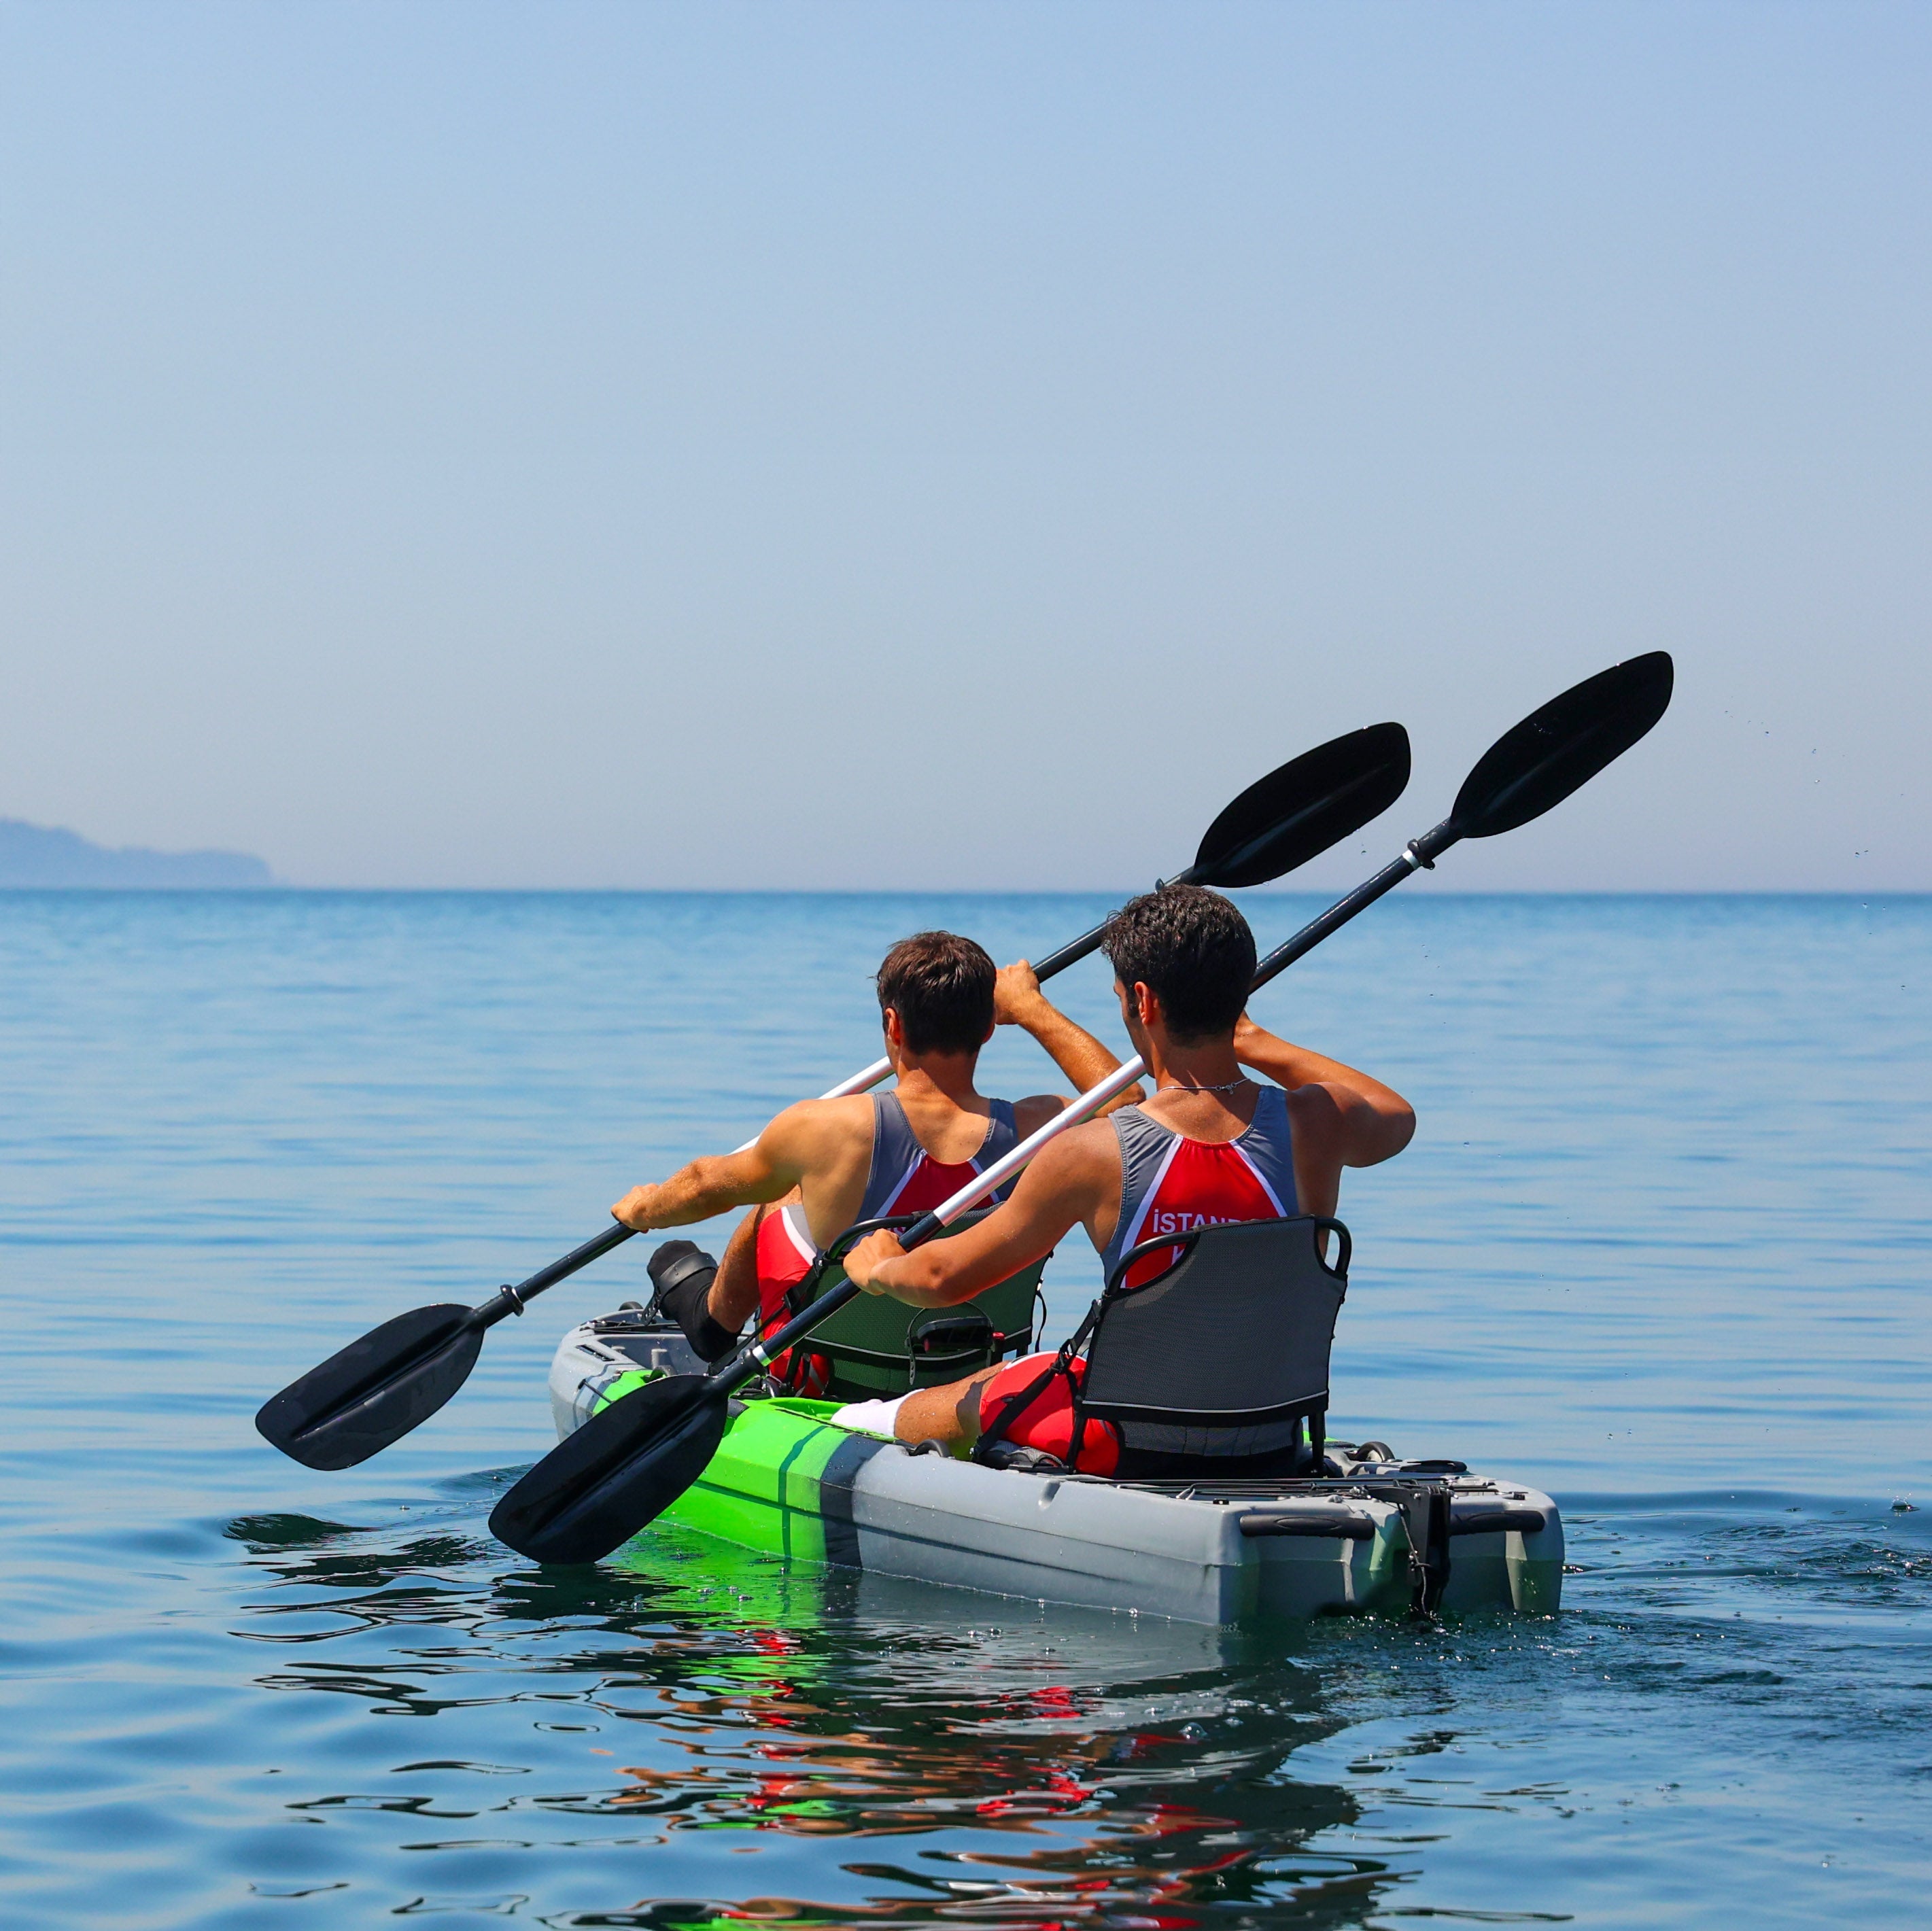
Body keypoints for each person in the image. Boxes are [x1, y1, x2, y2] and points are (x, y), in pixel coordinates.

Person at [839, 884, 1415, 1469]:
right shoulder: (1317, 1123)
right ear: (1239, 995)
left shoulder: (1091, 1152)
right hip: (1272, 1431)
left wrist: (880, 1266)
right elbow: (1397, 1114)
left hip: (1129, 1443)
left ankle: (852, 1423)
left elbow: (943, 1277)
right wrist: (1249, 1039)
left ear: (1143, 1001)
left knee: (999, 1385)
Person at [611, 930, 1136, 1385]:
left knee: (781, 1195)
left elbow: (707, 1184)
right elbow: (1127, 1104)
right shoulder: (1035, 1130)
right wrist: (1033, 1008)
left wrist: (646, 1207)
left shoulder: (827, 1127)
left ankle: (711, 1328)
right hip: (960, 1358)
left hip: (838, 1367)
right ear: (988, 1029)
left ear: (894, 1025)